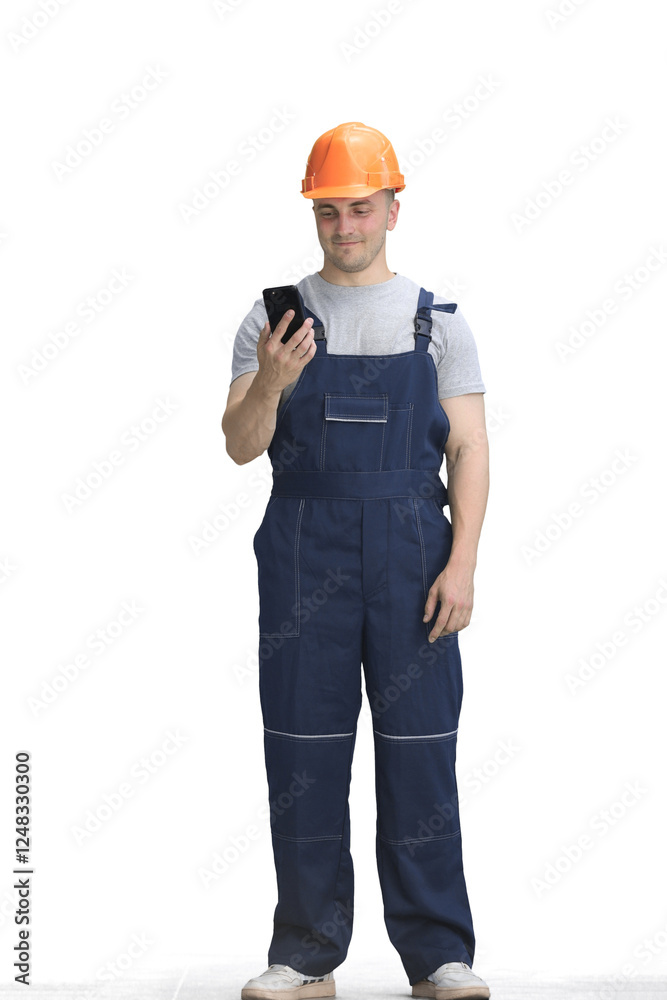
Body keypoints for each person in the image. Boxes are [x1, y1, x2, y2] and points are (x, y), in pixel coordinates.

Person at [222, 122, 491, 1000]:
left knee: (420, 753)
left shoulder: (438, 323)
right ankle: (305, 957)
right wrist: (271, 379)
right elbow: (240, 444)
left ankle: (440, 956)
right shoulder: (273, 319)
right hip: (304, 551)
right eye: (329, 210)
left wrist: (462, 564)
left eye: (361, 208)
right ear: (314, 214)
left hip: (414, 552)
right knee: (303, 751)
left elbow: (470, 448)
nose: (345, 226)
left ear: (392, 210)